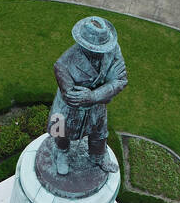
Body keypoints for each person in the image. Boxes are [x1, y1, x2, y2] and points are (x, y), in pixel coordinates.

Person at [48, 16, 128, 172]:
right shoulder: (63, 64)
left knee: (99, 133)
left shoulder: (113, 50)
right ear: (82, 45)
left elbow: (120, 80)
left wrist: (94, 96)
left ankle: (97, 157)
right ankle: (61, 153)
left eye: (102, 48)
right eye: (94, 49)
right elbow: (72, 98)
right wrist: (105, 89)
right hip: (67, 109)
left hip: (96, 104)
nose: (99, 53)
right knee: (61, 131)